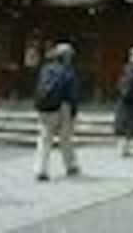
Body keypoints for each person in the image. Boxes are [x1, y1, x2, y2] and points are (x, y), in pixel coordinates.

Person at [34, 42, 80, 181]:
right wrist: (74, 110)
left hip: (45, 108)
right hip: (62, 107)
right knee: (65, 139)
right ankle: (70, 165)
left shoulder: (46, 69)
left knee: (44, 139)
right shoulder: (68, 71)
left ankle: (40, 169)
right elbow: (72, 93)